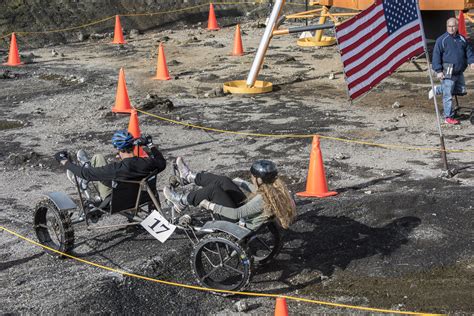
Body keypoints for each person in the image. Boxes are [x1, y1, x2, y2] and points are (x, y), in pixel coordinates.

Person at [163, 157, 296, 230]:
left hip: (238, 222)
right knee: (224, 180)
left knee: (213, 190)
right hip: (246, 214)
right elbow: (257, 191)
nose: (251, 178)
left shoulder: (261, 200)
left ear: (259, 180)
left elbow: (236, 214)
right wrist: (242, 183)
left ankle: (181, 201)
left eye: (252, 176)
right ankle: (189, 177)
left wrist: (210, 206)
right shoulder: (273, 190)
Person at [54, 130, 166, 201]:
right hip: (141, 197)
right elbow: (162, 162)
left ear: (118, 149)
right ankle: (88, 167)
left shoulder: (116, 169)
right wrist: (150, 145)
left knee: (96, 165)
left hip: (117, 200)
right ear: (134, 145)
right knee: (98, 158)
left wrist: (65, 162)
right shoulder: (148, 162)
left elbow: (86, 174)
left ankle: (82, 180)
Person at [429, 17, 474, 125]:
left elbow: (469, 52)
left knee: (461, 90)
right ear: (446, 27)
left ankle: (438, 89)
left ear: (457, 26)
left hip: (459, 70)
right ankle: (448, 116)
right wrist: (438, 70)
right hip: (447, 69)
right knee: (448, 95)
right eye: (449, 26)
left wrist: (472, 62)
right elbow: (436, 56)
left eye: (453, 26)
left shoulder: (462, 39)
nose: (451, 28)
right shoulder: (442, 40)